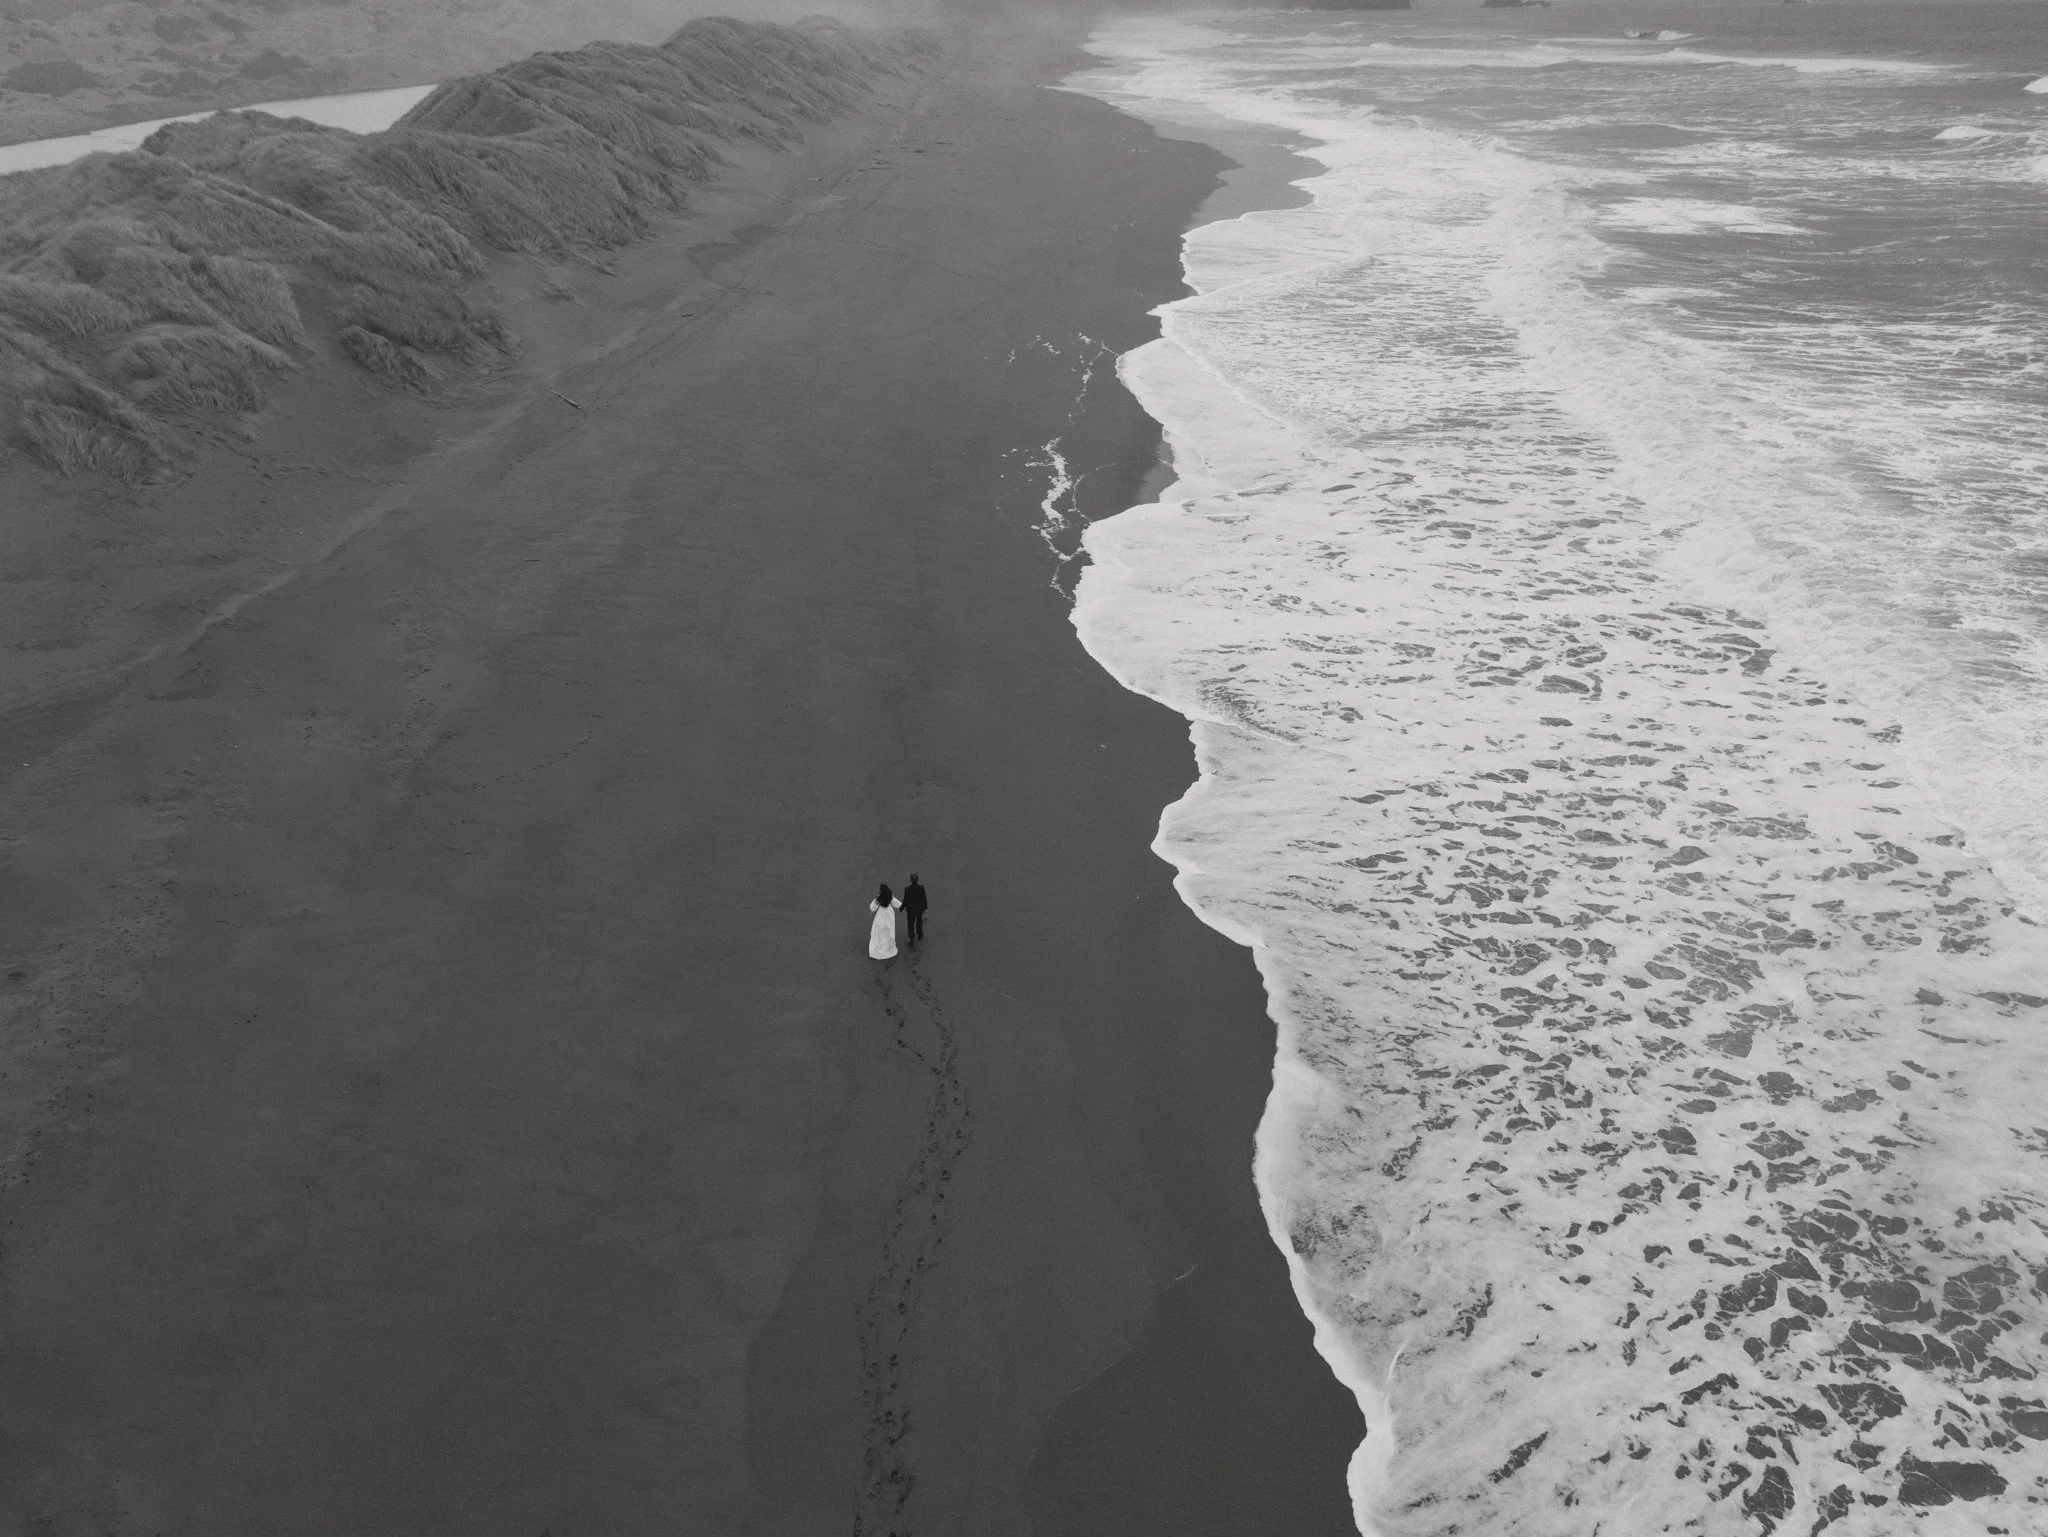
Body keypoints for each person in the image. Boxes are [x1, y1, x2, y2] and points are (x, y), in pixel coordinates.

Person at [868, 883, 902, 960]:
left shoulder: (879, 898)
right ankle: (888, 945)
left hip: (881, 914)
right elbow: (897, 904)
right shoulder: (890, 896)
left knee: (880, 930)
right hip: (889, 913)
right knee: (889, 929)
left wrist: (872, 909)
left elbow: (872, 907)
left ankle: (880, 946)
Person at [902, 874, 928, 944]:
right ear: (917, 880)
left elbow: (905, 900)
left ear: (911, 880)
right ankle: (919, 934)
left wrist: (901, 908)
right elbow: (924, 898)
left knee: (910, 924)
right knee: (919, 922)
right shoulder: (921, 888)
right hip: (919, 909)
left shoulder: (907, 889)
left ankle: (911, 937)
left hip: (910, 910)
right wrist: (925, 908)